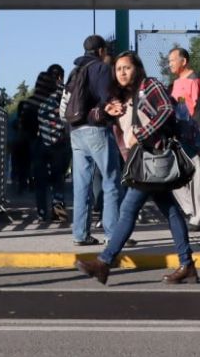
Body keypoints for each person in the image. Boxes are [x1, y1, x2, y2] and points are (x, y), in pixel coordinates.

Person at [76, 51, 198, 285]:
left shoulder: (150, 85)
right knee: (171, 211)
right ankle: (187, 265)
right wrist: (105, 111)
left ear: (137, 68)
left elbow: (166, 111)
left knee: (129, 209)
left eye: (127, 68)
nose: (122, 72)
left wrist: (140, 134)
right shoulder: (120, 97)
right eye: (118, 69)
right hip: (143, 163)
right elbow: (92, 115)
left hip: (153, 159)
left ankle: (104, 262)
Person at [68, 35, 123, 247]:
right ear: (101, 50)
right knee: (111, 181)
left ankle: (80, 234)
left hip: (75, 131)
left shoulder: (75, 71)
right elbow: (107, 98)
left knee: (82, 185)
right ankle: (112, 234)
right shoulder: (100, 69)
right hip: (96, 129)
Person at [167, 48, 200, 230]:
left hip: (195, 137)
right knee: (173, 177)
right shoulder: (176, 83)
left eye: (172, 60)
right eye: (169, 61)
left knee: (196, 178)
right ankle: (191, 210)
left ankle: (198, 218)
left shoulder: (196, 81)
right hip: (178, 136)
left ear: (184, 61)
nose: (170, 64)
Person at [26, 70, 69, 221]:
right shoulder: (59, 96)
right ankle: (58, 205)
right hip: (58, 142)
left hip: (39, 143)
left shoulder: (32, 101)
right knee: (58, 177)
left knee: (40, 181)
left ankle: (42, 212)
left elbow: (26, 124)